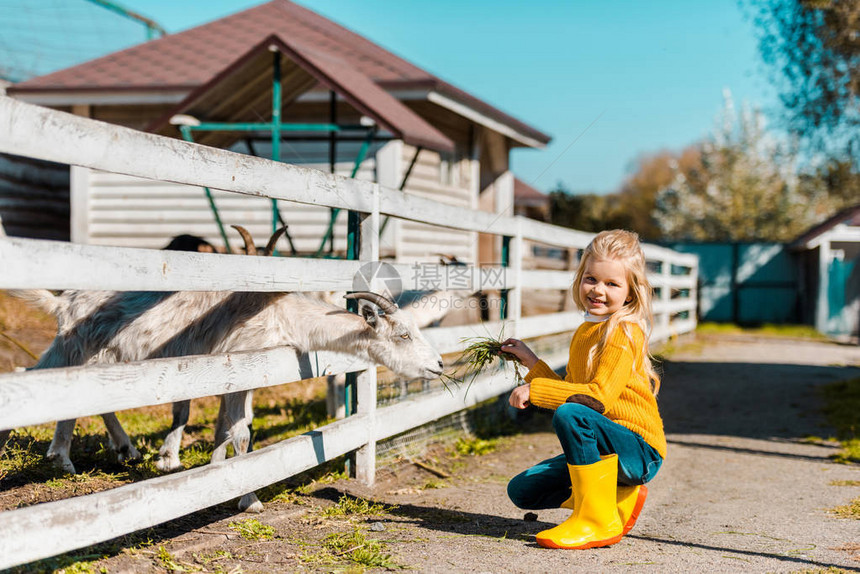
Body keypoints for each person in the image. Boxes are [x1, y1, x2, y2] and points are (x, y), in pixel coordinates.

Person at [501, 229, 666, 550]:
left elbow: (596, 398)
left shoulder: (622, 332)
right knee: (522, 491)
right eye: (591, 279)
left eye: (612, 284)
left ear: (631, 293)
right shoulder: (586, 330)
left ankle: (596, 521)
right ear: (580, 279)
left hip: (639, 451)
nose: (598, 290)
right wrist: (531, 362)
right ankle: (615, 498)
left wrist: (535, 392)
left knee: (572, 413)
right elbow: (573, 392)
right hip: (606, 449)